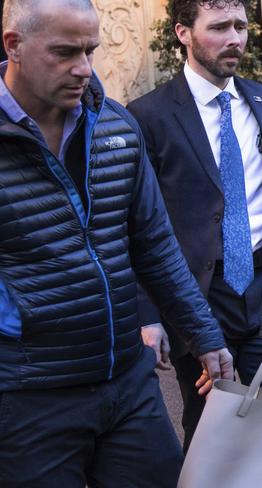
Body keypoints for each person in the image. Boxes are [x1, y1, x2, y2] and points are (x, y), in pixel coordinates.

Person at [0, 0, 234, 485]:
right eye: (64, 53)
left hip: (128, 382)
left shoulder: (116, 126)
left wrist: (205, 336)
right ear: (13, 46)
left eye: (90, 50)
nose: (83, 69)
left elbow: (155, 246)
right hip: (28, 397)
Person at [127, 0, 262, 452]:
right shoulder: (148, 116)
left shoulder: (260, 98)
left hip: (261, 289)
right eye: (219, 27)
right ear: (183, 33)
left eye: (240, 25)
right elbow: (135, 226)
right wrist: (149, 316)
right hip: (194, 298)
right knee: (213, 428)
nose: (234, 38)